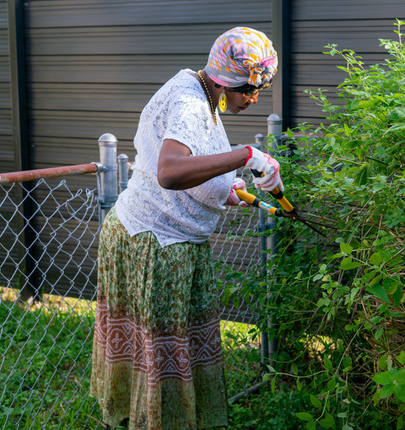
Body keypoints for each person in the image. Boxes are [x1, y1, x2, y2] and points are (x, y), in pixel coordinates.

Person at [89, 27, 280, 430]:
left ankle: (128, 422)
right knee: (163, 359)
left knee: (151, 354)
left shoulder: (195, 89)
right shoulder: (191, 104)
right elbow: (170, 172)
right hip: (156, 247)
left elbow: (191, 162)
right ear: (228, 81)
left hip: (141, 235)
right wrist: (247, 155)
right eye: (251, 89)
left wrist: (227, 189)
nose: (254, 98)